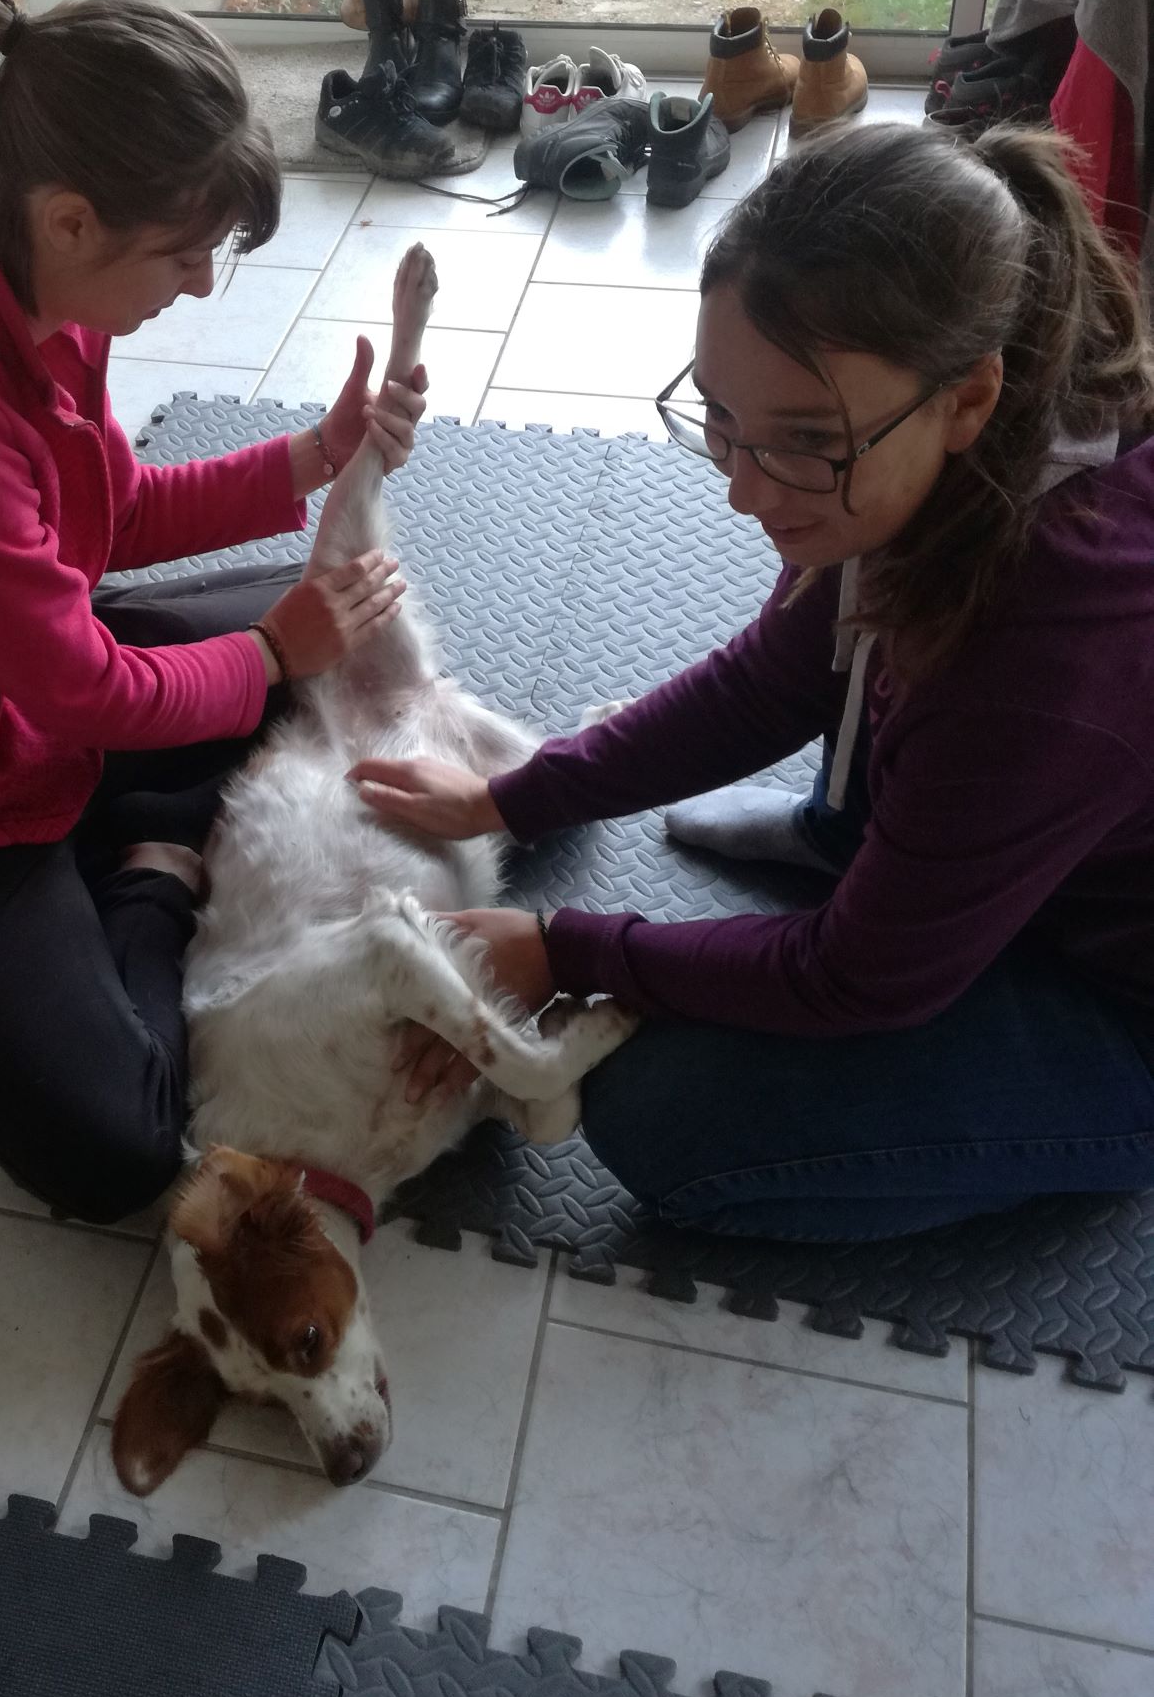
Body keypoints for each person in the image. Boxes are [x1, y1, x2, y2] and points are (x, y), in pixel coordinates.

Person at [354, 121, 1154, 1242]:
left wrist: (565, 944)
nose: (744, 494)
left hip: (1120, 995)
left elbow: (855, 978)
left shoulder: (1045, 655)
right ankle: (883, 841)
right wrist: (519, 792)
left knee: (664, 1119)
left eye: (800, 440)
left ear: (968, 399)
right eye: (721, 424)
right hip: (1028, 808)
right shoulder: (926, 446)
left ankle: (1080, 1090)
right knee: (879, 744)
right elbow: (774, 678)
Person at [0, 0, 428, 1224]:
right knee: (117, 1149)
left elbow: (107, 518)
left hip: (25, 696)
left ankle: (140, 818)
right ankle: (151, 865)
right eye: (186, 251)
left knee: (348, 621)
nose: (204, 284)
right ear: (67, 218)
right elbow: (83, 684)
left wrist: (311, 459)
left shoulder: (41, 296)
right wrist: (267, 658)